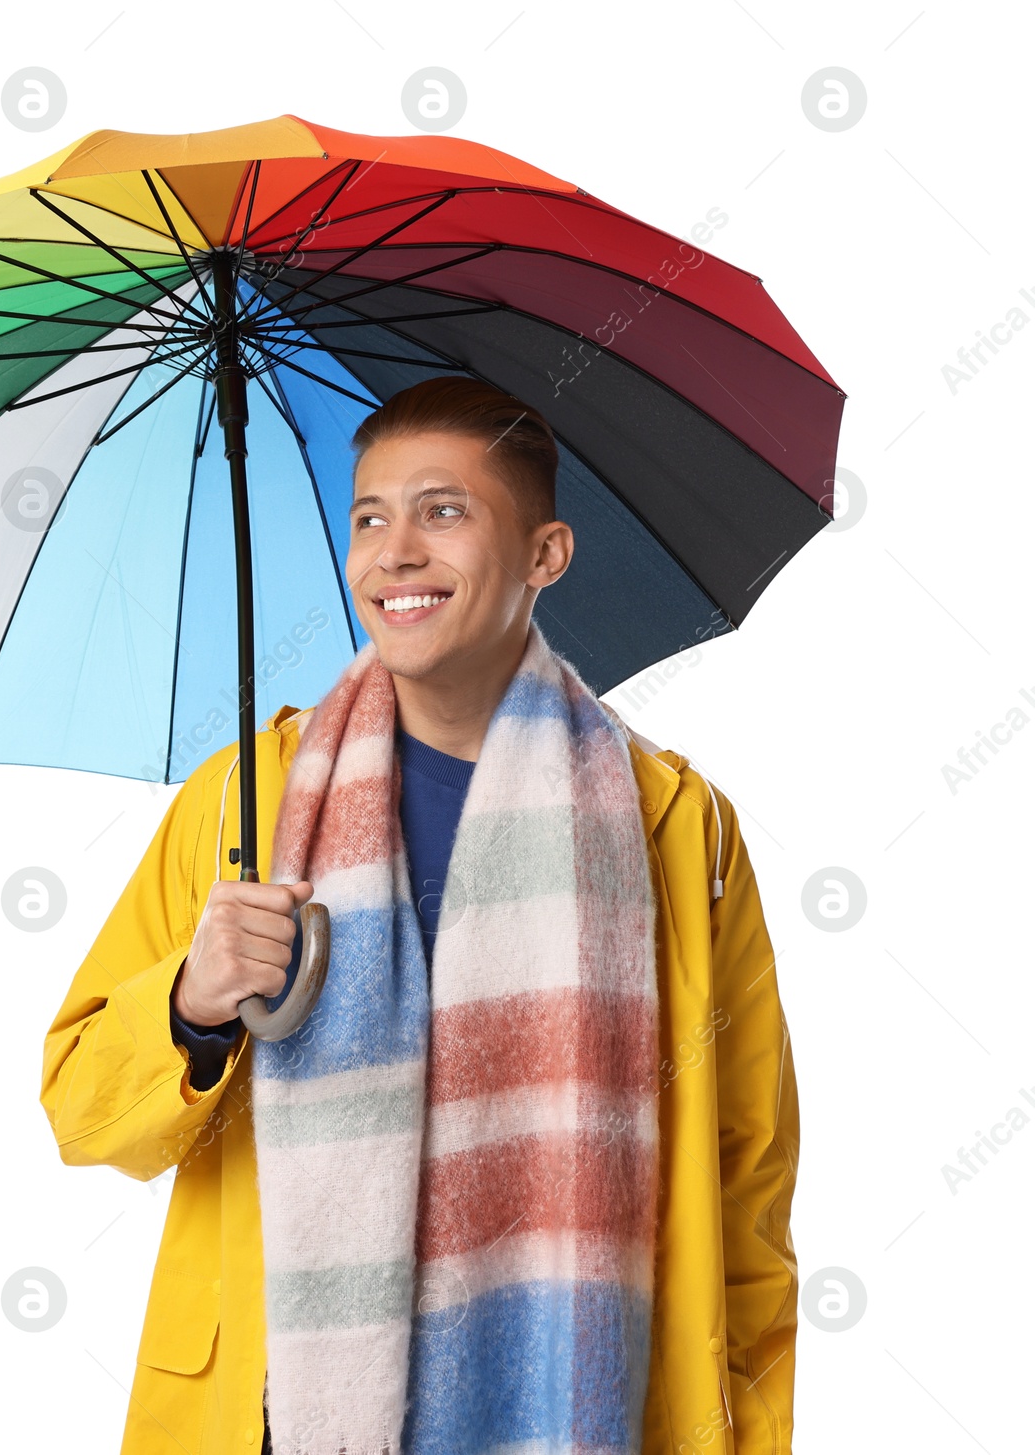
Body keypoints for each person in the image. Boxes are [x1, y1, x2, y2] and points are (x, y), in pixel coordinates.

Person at [41, 376, 799, 1455]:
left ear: (545, 554)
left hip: (576, 1403)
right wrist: (190, 1004)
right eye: (368, 517)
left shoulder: (671, 824)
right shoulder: (243, 803)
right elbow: (80, 1105)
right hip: (281, 1412)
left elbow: (748, 1175)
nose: (394, 552)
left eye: (442, 511)